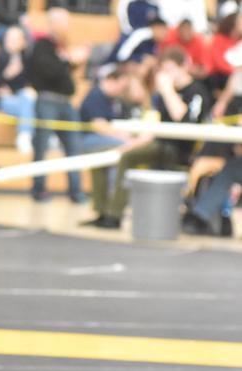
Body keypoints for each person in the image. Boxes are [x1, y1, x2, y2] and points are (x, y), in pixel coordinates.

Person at [93, 47, 212, 230]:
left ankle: (114, 214)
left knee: (129, 158)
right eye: (164, 71)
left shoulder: (196, 91)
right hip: (160, 143)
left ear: (184, 67)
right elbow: (156, 125)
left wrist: (167, 90)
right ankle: (106, 212)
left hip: (182, 148)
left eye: (171, 69)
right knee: (113, 156)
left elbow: (185, 121)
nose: (167, 75)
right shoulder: (163, 94)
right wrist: (135, 143)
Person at [27, 7, 88, 203]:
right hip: (48, 100)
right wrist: (69, 60)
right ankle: (39, 189)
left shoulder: (61, 46)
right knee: (41, 146)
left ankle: (76, 191)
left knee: (74, 147)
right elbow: (49, 71)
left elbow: (63, 73)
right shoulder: (43, 45)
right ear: (53, 24)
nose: (67, 27)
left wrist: (73, 61)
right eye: (64, 22)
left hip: (65, 102)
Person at [78, 68, 140, 228]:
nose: (122, 90)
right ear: (111, 80)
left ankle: (108, 210)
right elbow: (99, 125)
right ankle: (111, 209)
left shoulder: (115, 100)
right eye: (121, 85)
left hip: (103, 142)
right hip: (89, 140)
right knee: (124, 153)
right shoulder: (96, 96)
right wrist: (126, 139)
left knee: (111, 165)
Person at [0, 25, 35, 155]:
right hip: (2, 100)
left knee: (28, 97)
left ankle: (25, 134)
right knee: (27, 103)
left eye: (15, 40)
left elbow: (29, 83)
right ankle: (25, 135)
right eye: (9, 39)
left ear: (23, 42)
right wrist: (6, 75)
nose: (11, 43)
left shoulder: (26, 59)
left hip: (21, 99)